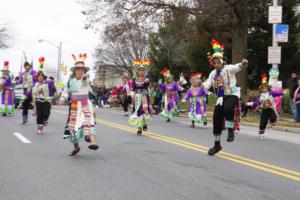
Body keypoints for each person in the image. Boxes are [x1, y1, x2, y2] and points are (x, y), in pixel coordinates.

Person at [202, 39, 248, 156]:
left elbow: (237, 67)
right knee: (216, 119)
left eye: (218, 62)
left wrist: (243, 64)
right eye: (214, 63)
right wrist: (201, 85)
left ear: (222, 62)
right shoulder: (213, 74)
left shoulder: (228, 69)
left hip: (232, 94)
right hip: (221, 97)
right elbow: (207, 84)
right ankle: (217, 145)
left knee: (228, 109)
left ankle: (230, 131)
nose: (216, 64)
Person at [59, 53, 99, 156]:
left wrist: (85, 78)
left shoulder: (86, 80)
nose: (80, 71)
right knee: (72, 127)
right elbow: (66, 91)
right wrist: (62, 98)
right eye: (78, 69)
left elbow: (86, 84)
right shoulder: (70, 82)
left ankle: (93, 142)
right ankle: (76, 147)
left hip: (86, 104)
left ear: (85, 71)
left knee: (88, 122)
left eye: (82, 70)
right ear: (74, 71)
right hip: (74, 106)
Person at [128, 59, 151, 135]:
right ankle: (139, 128)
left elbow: (147, 85)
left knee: (144, 110)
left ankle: (144, 124)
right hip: (137, 97)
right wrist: (131, 94)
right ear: (137, 71)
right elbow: (133, 88)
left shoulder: (146, 79)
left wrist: (146, 81)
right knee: (137, 111)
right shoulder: (134, 79)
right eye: (140, 70)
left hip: (144, 96)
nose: (141, 71)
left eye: (143, 70)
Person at [255, 75, 278, 140]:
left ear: (267, 88)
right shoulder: (260, 95)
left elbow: (277, 93)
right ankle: (261, 134)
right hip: (264, 109)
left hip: (271, 108)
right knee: (263, 122)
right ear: (261, 89)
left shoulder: (271, 92)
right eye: (263, 88)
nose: (264, 89)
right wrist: (256, 105)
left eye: (265, 87)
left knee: (273, 117)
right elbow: (257, 102)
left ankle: (271, 123)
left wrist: (282, 92)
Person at [32, 69, 52, 134]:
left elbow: (51, 83)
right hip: (38, 101)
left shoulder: (46, 84)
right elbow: (33, 93)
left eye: (41, 76)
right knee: (39, 115)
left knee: (46, 114)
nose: (40, 77)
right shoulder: (35, 85)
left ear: (43, 77)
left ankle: (45, 120)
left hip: (46, 101)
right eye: (39, 76)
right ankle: (40, 129)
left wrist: (42, 89)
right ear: (37, 78)